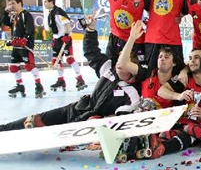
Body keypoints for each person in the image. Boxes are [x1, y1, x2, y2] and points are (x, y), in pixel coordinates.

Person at [0, 15, 148, 132]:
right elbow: (91, 52)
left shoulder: (132, 93)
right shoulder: (108, 68)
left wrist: (102, 128)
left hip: (90, 122)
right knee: (35, 120)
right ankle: (4, 130)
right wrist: (90, 30)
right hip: (77, 109)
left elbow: (121, 119)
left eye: (124, 60)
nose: (118, 64)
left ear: (132, 66)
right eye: (119, 58)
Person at [1, 0, 45, 98]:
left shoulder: (26, 14)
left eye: (13, 3)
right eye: (9, 4)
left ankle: (38, 85)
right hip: (16, 46)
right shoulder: (13, 16)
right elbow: (4, 23)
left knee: (30, 66)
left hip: (25, 46)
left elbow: (30, 30)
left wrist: (25, 40)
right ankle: (19, 85)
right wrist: (5, 12)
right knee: (13, 67)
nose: (11, 6)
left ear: (19, 3)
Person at [43, 0, 86, 91]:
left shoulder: (58, 12)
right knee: (56, 61)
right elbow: (54, 29)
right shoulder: (51, 14)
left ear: (51, 2)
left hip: (64, 39)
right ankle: (61, 80)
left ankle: (80, 79)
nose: (44, 4)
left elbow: (67, 24)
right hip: (57, 39)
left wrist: (66, 35)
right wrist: (53, 39)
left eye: (46, 1)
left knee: (69, 59)